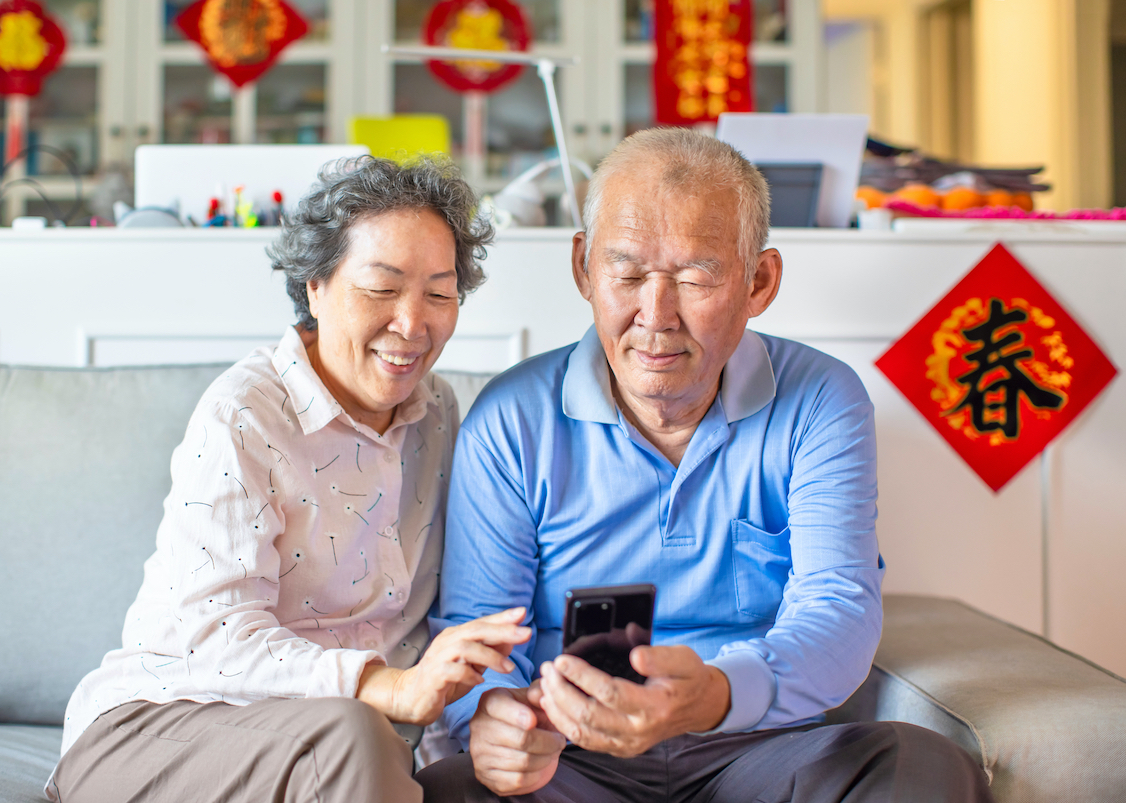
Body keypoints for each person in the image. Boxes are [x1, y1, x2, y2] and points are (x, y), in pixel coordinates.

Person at [416, 129, 994, 802]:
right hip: (570, 761)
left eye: (696, 276)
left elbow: (837, 609)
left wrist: (717, 694)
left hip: (761, 746)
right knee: (449, 789)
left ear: (758, 281)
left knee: (918, 764)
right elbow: (478, 631)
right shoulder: (513, 418)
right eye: (627, 274)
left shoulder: (821, 401)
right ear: (583, 269)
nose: (655, 316)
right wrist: (495, 718)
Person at [47, 156, 531, 803]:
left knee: (491, 779)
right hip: (165, 722)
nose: (413, 323)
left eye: (439, 293)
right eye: (382, 288)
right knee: (354, 739)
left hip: (354, 748)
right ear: (315, 286)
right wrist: (383, 685)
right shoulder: (245, 413)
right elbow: (214, 635)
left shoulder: (438, 412)